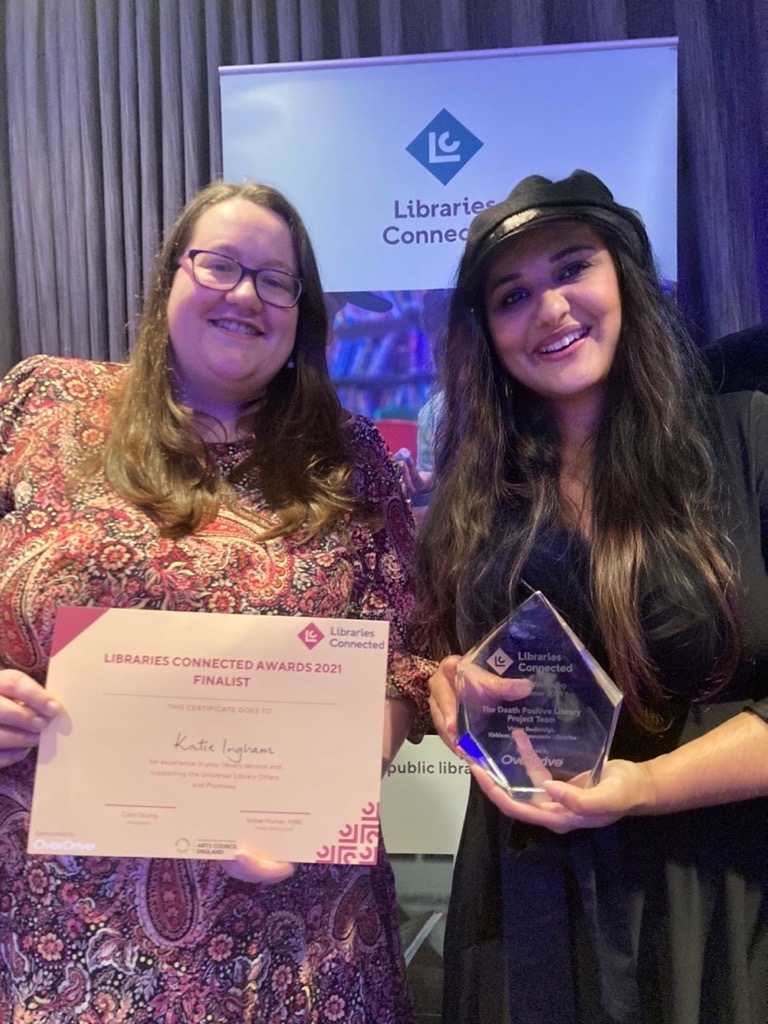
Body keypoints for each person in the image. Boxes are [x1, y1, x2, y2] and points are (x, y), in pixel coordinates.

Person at [0, 180, 431, 1022]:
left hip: (294, 938)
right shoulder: (42, 403)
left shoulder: (351, 461)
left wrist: (314, 802)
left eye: (277, 280)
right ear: (170, 280)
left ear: (301, 313)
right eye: (222, 265)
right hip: (61, 930)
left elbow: (400, 672)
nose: (247, 295)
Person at [418, 171, 768, 1024]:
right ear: (487, 332)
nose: (550, 309)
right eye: (512, 295)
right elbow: (443, 662)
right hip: (527, 899)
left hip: (713, 901)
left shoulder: (748, 435)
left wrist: (643, 788)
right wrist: (447, 687)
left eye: (574, 268)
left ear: (626, 280)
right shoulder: (476, 494)